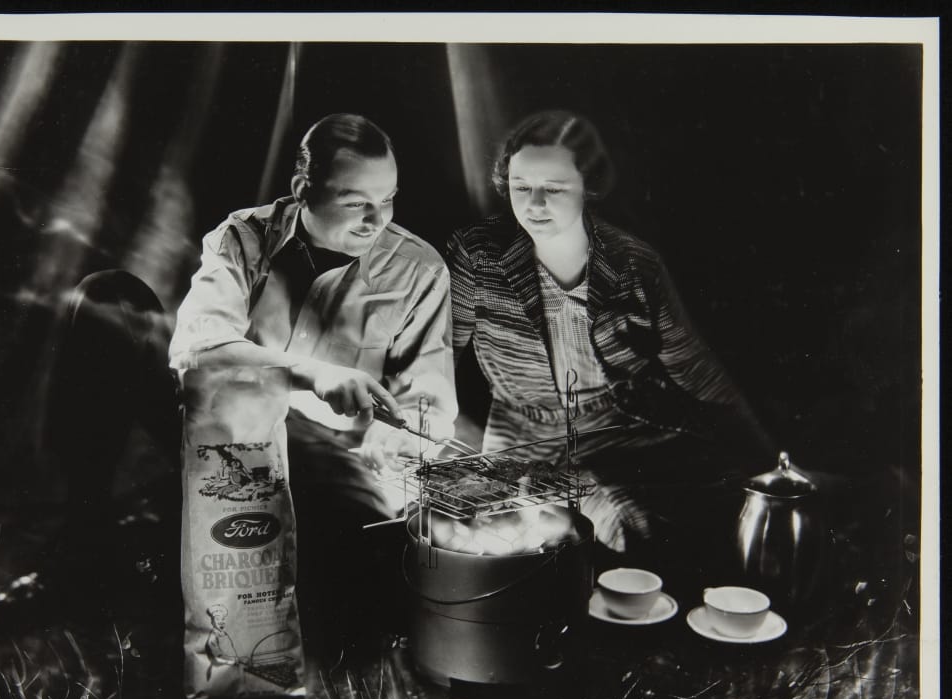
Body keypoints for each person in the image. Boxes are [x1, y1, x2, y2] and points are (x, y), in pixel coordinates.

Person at [168, 113, 457, 658]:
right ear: (303, 189)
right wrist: (316, 374)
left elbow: (428, 400)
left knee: (359, 595)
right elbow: (197, 348)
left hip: (337, 465)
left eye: (388, 200)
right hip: (227, 437)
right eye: (355, 202)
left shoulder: (420, 270)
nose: (376, 220)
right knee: (106, 298)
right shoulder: (242, 237)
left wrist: (399, 437)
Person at [446, 110, 772, 565]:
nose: (534, 204)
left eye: (554, 189)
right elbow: (442, 352)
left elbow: (693, 367)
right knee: (534, 543)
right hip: (522, 436)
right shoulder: (477, 255)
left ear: (589, 185)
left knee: (650, 526)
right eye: (521, 187)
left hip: (619, 431)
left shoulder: (633, 264)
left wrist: (767, 460)